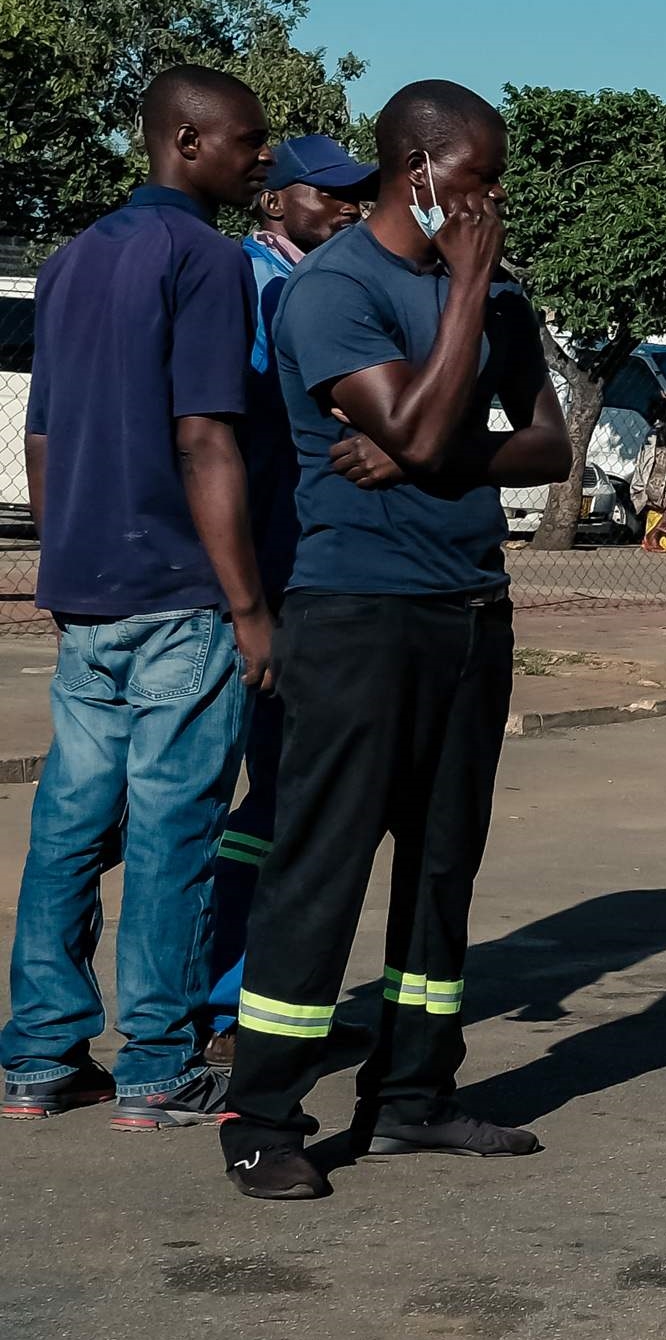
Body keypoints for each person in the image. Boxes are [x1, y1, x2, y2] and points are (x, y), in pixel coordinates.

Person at [221, 82, 573, 1197]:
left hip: (471, 609)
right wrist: (465, 298)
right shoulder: (335, 291)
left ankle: (413, 1095)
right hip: (359, 613)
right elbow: (415, 425)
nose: (492, 200)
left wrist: (444, 447)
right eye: (476, 177)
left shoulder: (504, 301)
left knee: (440, 866)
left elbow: (551, 445)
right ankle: (264, 1115)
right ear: (415, 171)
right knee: (322, 864)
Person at [4, 67, 275, 1132]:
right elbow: (206, 436)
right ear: (188, 140)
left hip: (88, 589)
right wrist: (250, 606)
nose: (260, 159)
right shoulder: (206, 261)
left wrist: (62, 556)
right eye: (248, 142)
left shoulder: (74, 260)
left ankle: (40, 1054)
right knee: (173, 827)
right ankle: (156, 1065)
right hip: (180, 592)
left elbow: (41, 432)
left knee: (70, 820)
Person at [205, 132, 378, 1052]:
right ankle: (211, 999)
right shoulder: (256, 284)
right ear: (276, 201)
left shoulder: (314, 281)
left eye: (360, 194)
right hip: (257, 583)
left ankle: (244, 995)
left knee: (273, 796)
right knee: (222, 800)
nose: (349, 207)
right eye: (331, 194)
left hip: (293, 573)